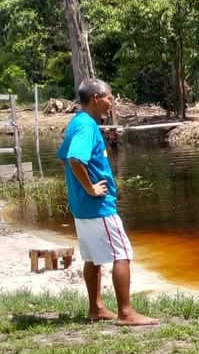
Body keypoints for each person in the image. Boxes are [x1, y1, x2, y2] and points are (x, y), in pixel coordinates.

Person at [57, 79, 158, 326]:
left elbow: (67, 158)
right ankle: (126, 313)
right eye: (109, 98)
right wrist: (91, 188)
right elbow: (74, 159)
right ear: (95, 98)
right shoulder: (86, 127)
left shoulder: (77, 123)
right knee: (122, 252)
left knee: (92, 257)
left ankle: (97, 307)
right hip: (98, 206)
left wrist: (83, 189)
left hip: (82, 207)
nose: (111, 103)